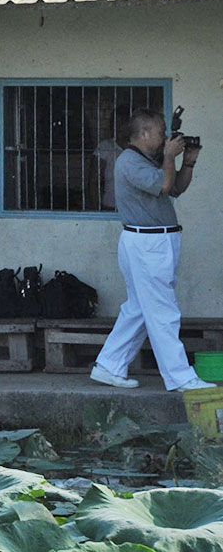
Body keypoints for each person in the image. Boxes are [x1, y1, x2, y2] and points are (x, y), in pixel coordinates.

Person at [90, 109, 213, 392]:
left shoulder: (147, 160)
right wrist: (170, 156)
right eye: (160, 132)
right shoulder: (130, 162)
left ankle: (109, 365)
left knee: (139, 310)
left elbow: (176, 188)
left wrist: (189, 163)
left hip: (157, 241)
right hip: (146, 243)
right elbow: (164, 184)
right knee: (163, 311)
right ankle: (181, 378)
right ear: (144, 134)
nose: (164, 138)